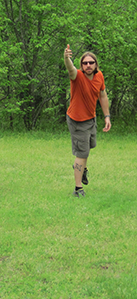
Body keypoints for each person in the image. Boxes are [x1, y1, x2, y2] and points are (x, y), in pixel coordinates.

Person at [64, 44, 111, 197]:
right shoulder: (77, 76)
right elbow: (70, 69)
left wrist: (107, 116)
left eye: (91, 62)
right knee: (81, 153)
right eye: (85, 63)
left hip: (91, 118)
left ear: (96, 64)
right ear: (81, 66)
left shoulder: (99, 76)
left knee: (88, 148)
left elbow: (103, 96)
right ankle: (78, 189)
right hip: (77, 121)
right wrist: (66, 58)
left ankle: (82, 169)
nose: (88, 65)